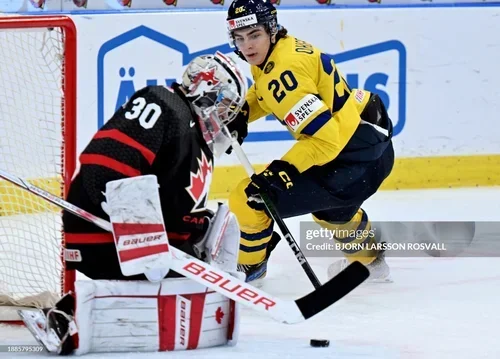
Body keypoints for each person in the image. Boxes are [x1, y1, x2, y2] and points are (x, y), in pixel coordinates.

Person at [21, 52, 248, 355]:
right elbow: (104, 166)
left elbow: (171, 204)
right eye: (225, 104)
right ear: (207, 87)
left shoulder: (195, 140)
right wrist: (141, 236)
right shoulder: (163, 103)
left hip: (146, 246)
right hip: (103, 236)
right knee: (178, 284)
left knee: (219, 229)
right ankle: (70, 314)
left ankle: (78, 314)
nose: (225, 114)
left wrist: (196, 229)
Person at [224, 0, 395, 284]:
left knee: (250, 198)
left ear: (271, 29)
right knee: (332, 212)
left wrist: (283, 170)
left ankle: (249, 270)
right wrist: (243, 114)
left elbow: (325, 140)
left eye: (254, 34)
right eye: (240, 38)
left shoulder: (283, 70)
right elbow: (265, 92)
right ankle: (371, 260)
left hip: (347, 162)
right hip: (368, 146)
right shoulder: (280, 50)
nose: (247, 46)